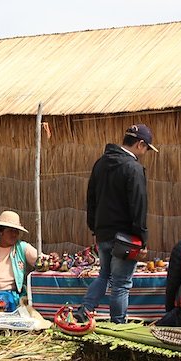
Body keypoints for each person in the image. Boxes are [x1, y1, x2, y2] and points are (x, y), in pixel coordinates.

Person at [75, 123, 157, 324]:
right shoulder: (133, 168)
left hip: (103, 233)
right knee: (121, 283)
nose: (145, 153)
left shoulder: (100, 163)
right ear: (140, 144)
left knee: (104, 275)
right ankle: (118, 324)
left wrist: (94, 228)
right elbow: (138, 206)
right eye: (146, 148)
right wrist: (142, 239)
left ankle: (85, 309)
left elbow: (91, 199)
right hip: (126, 238)